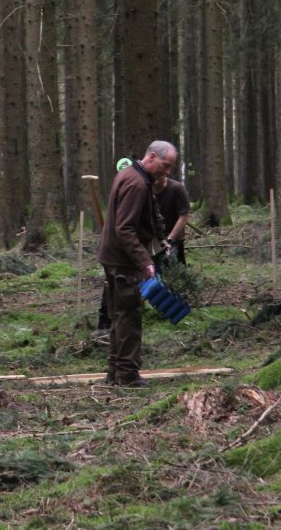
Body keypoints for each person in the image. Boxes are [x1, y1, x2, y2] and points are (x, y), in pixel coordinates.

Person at [97, 140, 178, 386]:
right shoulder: (136, 184)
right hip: (124, 262)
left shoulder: (132, 175)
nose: (168, 172)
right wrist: (144, 261)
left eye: (171, 167)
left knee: (119, 315)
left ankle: (115, 372)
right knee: (129, 317)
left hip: (114, 257)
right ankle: (128, 376)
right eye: (165, 165)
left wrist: (160, 240)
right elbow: (125, 228)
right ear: (151, 157)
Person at [93, 157, 135, 338]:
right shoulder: (118, 191)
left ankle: (121, 325)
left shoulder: (135, 189)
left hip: (127, 249)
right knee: (111, 285)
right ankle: (105, 323)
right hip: (115, 250)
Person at [153, 173, 191, 265]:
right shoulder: (145, 190)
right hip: (153, 238)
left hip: (174, 237)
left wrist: (170, 239)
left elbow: (183, 216)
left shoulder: (177, 188)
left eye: (159, 174)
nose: (156, 178)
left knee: (170, 262)